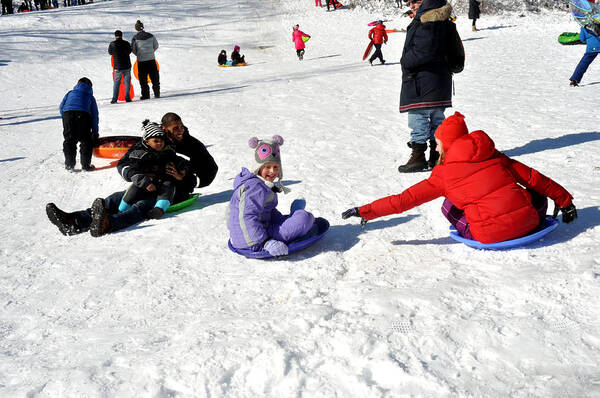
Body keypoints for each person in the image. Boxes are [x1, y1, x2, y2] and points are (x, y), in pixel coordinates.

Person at [342, 112, 577, 244]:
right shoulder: (495, 156)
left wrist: (365, 210)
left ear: (447, 145)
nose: (436, 149)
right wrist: (565, 202)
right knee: (532, 190)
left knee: (448, 205)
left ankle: (479, 225)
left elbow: (404, 200)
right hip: (531, 224)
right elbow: (537, 179)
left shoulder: (443, 175)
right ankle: (523, 217)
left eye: (439, 144)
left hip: (488, 236)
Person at [228, 136, 315, 256]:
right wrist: (266, 242)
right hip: (252, 240)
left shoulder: (259, 184)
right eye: (267, 167)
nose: (272, 171)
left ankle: (293, 216)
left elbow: (266, 211)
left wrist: (283, 220)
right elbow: (246, 217)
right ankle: (297, 215)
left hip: (251, 233)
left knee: (295, 219)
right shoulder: (255, 188)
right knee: (305, 219)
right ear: (258, 168)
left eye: (276, 167)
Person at [397, 0, 454, 173]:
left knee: (418, 118)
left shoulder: (426, 20)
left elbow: (423, 51)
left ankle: (418, 156)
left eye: (415, 1)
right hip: (440, 81)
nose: (411, 5)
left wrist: (405, 61)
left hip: (422, 81)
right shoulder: (444, 20)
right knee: (437, 119)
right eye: (409, 2)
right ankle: (438, 155)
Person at [117, 120, 190, 219]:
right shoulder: (138, 154)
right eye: (156, 141)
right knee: (134, 189)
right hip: (145, 183)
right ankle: (122, 209)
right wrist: (145, 182)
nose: (160, 143)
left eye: (162, 140)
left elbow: (179, 161)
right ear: (147, 141)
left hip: (162, 182)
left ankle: (159, 209)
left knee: (168, 186)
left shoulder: (167, 151)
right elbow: (131, 169)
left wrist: (182, 171)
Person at [160, 112, 218, 203]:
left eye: (181, 127)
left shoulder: (189, 145)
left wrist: (182, 175)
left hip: (204, 174)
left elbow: (189, 167)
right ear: (164, 129)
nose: (180, 131)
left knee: (170, 168)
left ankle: (179, 194)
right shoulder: (159, 138)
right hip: (188, 169)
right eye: (175, 128)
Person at [46, 191, 156, 238]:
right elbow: (124, 164)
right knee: (116, 198)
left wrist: (174, 176)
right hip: (142, 187)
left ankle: (107, 223)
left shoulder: (171, 153)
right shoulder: (147, 150)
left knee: (140, 206)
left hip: (163, 196)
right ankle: (74, 222)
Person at [59, 77, 99, 171]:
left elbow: (61, 107)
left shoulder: (69, 93)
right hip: (83, 115)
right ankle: (85, 166)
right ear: (90, 87)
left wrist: (67, 118)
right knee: (86, 141)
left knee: (69, 140)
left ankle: (69, 165)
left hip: (68, 115)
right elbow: (94, 116)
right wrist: (95, 132)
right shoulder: (90, 97)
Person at [131, 20, 159, 99]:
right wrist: (150, 52)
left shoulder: (135, 38)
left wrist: (139, 54)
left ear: (136, 29)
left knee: (143, 79)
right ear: (143, 27)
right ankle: (157, 93)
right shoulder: (151, 35)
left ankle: (146, 95)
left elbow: (133, 49)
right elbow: (156, 45)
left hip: (141, 61)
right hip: (151, 59)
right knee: (155, 77)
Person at [108, 29, 132, 103]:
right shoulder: (126, 43)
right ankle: (127, 98)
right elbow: (130, 51)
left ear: (115, 36)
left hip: (117, 67)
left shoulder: (112, 44)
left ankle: (114, 99)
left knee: (116, 83)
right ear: (122, 35)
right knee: (127, 82)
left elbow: (110, 52)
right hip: (127, 66)